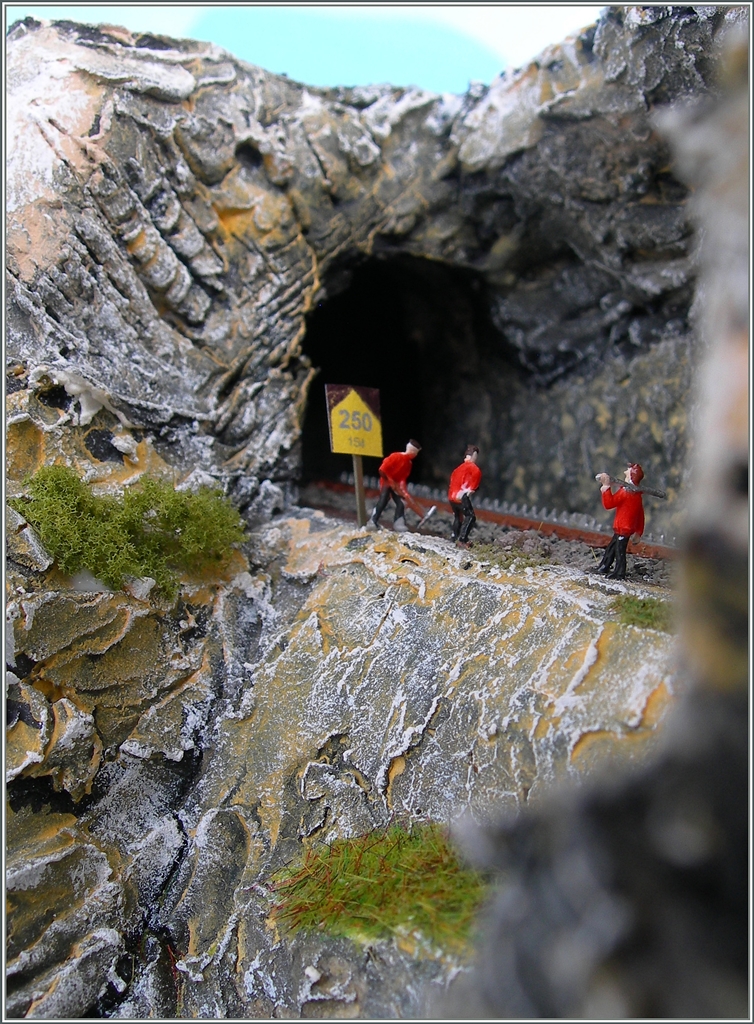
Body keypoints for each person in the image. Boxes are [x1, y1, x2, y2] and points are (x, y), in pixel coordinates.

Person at [595, 462, 645, 579]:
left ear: (631, 476)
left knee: (619, 551)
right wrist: (638, 532)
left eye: (627, 472)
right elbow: (640, 515)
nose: (624, 472)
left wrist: (606, 487)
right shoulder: (636, 495)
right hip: (621, 528)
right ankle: (604, 566)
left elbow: (609, 504)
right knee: (612, 548)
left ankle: (619, 572)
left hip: (624, 528)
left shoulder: (625, 493)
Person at [368, 439, 421, 532]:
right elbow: (382, 470)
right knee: (383, 501)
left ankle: (398, 524)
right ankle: (373, 521)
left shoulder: (409, 464)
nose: (415, 455)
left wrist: (403, 491)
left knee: (401, 504)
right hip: (386, 483)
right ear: (412, 452)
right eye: (415, 453)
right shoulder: (395, 456)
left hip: (396, 485)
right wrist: (390, 481)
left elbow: (403, 479)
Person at [448, 445, 482, 546]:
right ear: (473, 456)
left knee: (458, 516)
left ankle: (454, 536)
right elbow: (475, 482)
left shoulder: (457, 469)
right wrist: (471, 490)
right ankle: (462, 539)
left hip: (452, 496)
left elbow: (452, 481)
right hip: (462, 495)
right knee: (470, 517)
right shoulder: (473, 468)